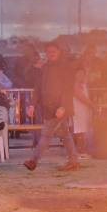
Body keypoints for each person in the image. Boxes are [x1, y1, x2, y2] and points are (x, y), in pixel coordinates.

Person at [23, 42, 79, 172]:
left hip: (60, 108)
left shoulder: (66, 67)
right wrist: (32, 104)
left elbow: (68, 89)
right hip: (48, 107)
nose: (51, 54)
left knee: (46, 134)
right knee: (65, 135)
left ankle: (33, 161)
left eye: (54, 51)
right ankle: (74, 161)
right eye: (48, 52)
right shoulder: (45, 68)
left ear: (59, 52)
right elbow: (38, 87)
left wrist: (63, 107)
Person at [72, 65, 93, 159]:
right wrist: (92, 105)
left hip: (83, 110)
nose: (81, 75)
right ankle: (80, 152)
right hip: (77, 110)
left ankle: (82, 151)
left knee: (83, 130)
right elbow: (80, 97)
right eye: (79, 73)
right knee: (79, 130)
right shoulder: (75, 84)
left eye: (82, 74)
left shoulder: (83, 84)